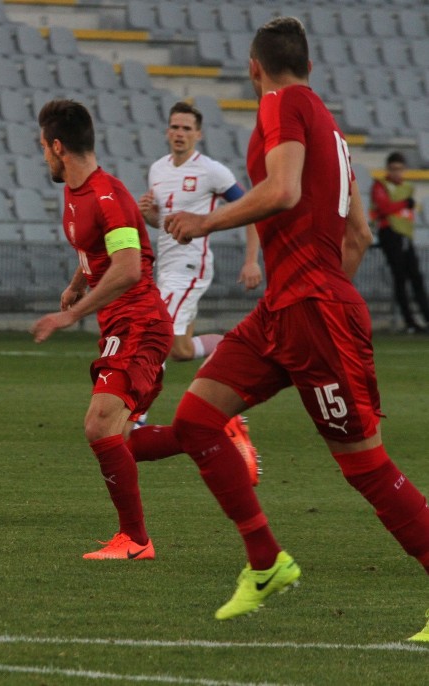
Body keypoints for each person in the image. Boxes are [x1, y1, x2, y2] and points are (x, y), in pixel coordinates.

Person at [157, 17, 429, 640]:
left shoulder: (280, 105)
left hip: (310, 311)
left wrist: (204, 224)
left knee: (366, 467)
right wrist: (320, 290)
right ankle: (266, 562)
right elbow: (357, 235)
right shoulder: (330, 126)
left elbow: (281, 192)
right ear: (309, 65)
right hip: (287, 308)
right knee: (198, 419)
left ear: (255, 69)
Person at [30, 98, 175, 561]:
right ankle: (212, 432)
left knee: (98, 425)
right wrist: (76, 284)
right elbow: (98, 252)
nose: (43, 158)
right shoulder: (76, 192)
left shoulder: (106, 195)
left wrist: (71, 315)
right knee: (119, 436)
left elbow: (129, 268)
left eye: (43, 148)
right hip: (120, 323)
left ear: (57, 146)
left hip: (139, 322)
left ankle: (135, 540)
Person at [138, 101, 262, 363]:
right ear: (167, 132)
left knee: (154, 334)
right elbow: (163, 223)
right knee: (180, 351)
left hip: (191, 266)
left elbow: (252, 211)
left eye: (186, 128)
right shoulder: (157, 169)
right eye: (175, 127)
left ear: (198, 134)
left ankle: (138, 404)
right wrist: (150, 216)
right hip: (167, 267)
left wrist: (251, 261)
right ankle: (237, 346)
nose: (180, 133)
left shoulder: (212, 171)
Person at [370, 151, 429, 334]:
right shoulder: (381, 186)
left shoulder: (406, 187)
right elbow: (384, 208)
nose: (397, 173)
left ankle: (425, 318)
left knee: (416, 277)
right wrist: (404, 203)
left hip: (404, 235)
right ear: (388, 169)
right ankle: (410, 321)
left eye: (400, 169)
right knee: (400, 277)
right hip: (389, 233)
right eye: (394, 169)